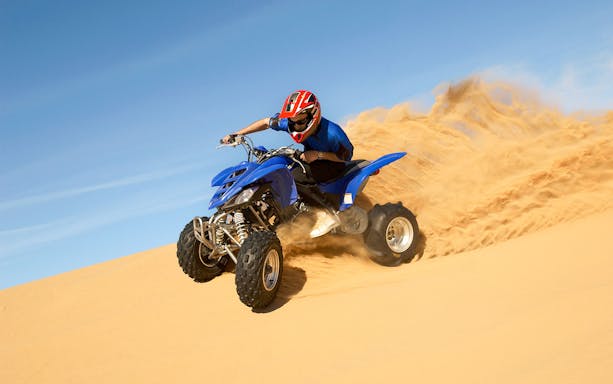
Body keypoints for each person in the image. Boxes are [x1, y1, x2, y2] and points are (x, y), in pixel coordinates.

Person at [221, 90, 354, 236]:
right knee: (280, 173)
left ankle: (326, 214)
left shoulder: (333, 133)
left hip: (332, 163)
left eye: (300, 122)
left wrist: (319, 155)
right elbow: (266, 122)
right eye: (292, 121)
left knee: (294, 176)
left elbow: (345, 157)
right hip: (309, 158)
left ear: (313, 115)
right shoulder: (291, 123)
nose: (295, 126)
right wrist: (239, 133)